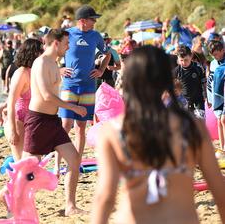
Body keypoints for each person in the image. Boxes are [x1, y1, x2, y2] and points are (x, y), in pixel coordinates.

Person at [90, 46, 225, 224]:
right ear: (167, 80)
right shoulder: (192, 127)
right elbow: (219, 190)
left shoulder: (113, 131)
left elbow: (105, 198)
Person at [24, 28, 87, 216]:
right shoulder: (41, 62)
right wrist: (74, 107)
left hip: (53, 121)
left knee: (74, 160)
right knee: (30, 165)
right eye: (66, 43)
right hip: (37, 120)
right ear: (56, 43)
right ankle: (6, 193)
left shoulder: (54, 62)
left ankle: (70, 206)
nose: (68, 47)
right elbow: (46, 95)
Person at [59, 5, 110, 162]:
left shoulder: (96, 36)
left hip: (88, 86)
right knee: (65, 125)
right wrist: (59, 69)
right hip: (69, 85)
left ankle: (76, 162)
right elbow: (53, 52)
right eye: (92, 19)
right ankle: (57, 163)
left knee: (81, 127)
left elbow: (108, 53)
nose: (95, 22)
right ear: (82, 21)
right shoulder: (67, 34)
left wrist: (101, 70)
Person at [0, 38, 43, 161]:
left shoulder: (36, 71)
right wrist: (12, 130)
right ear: (33, 53)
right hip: (18, 122)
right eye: (41, 51)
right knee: (22, 163)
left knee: (35, 162)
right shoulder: (21, 73)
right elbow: (11, 102)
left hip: (32, 123)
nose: (43, 54)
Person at [174, 45, 207, 118]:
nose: (183, 63)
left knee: (200, 122)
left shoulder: (198, 68)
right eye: (181, 60)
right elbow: (173, 86)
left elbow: (204, 83)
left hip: (198, 100)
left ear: (191, 57)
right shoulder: (177, 71)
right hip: (184, 101)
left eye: (186, 60)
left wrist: (206, 96)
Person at [208, 40, 225, 152]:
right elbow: (210, 81)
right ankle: (222, 146)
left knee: (224, 120)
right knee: (218, 120)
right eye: (213, 55)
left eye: (216, 54)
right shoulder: (213, 63)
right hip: (216, 95)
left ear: (223, 50)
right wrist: (209, 98)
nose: (215, 57)